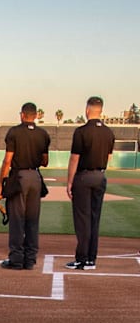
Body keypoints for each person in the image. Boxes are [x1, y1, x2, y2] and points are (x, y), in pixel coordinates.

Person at [0, 102, 50, 270]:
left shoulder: (14, 132)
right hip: (35, 177)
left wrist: (1, 184)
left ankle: (16, 259)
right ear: (35, 115)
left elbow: (8, 160)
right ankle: (30, 259)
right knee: (33, 220)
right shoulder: (43, 134)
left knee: (17, 219)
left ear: (22, 115)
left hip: (19, 177)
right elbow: (45, 161)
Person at [66, 96, 115, 270]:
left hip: (83, 177)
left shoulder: (81, 131)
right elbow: (109, 157)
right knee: (95, 219)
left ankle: (81, 258)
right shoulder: (109, 132)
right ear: (100, 110)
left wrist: (69, 182)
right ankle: (91, 259)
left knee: (82, 220)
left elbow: (74, 159)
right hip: (100, 176)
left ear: (87, 110)